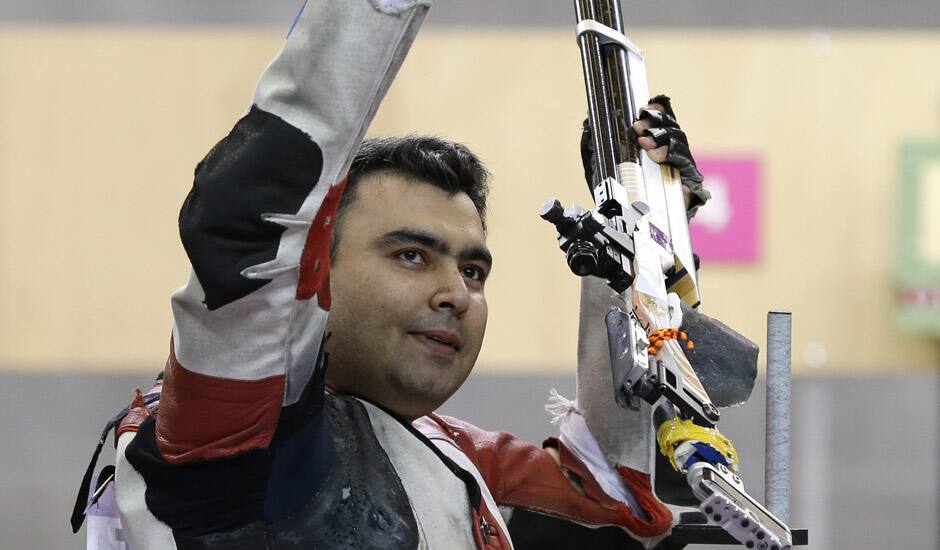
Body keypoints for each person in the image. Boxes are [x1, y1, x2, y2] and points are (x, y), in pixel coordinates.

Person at [93, 1, 708, 548]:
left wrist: (649, 231)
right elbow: (251, 218)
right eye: (410, 255)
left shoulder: (448, 456)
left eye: (473, 270)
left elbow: (614, 488)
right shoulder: (234, 431)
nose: (456, 295)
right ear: (313, 277)